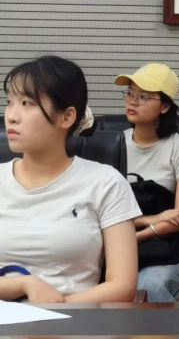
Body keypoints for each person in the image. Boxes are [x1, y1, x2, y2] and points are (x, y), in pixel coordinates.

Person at [0, 56, 140, 303]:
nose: (11, 116)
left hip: (73, 321)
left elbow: (122, 286)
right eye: (9, 103)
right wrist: (25, 284)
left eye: (27, 103)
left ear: (67, 117)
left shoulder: (106, 183)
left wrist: (58, 308)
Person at [114, 64, 179, 302]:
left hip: (165, 245)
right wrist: (153, 219)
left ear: (164, 106)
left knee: (147, 286)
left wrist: (138, 236)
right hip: (115, 240)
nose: (132, 101)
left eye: (143, 96)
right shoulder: (113, 145)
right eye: (130, 93)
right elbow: (101, 212)